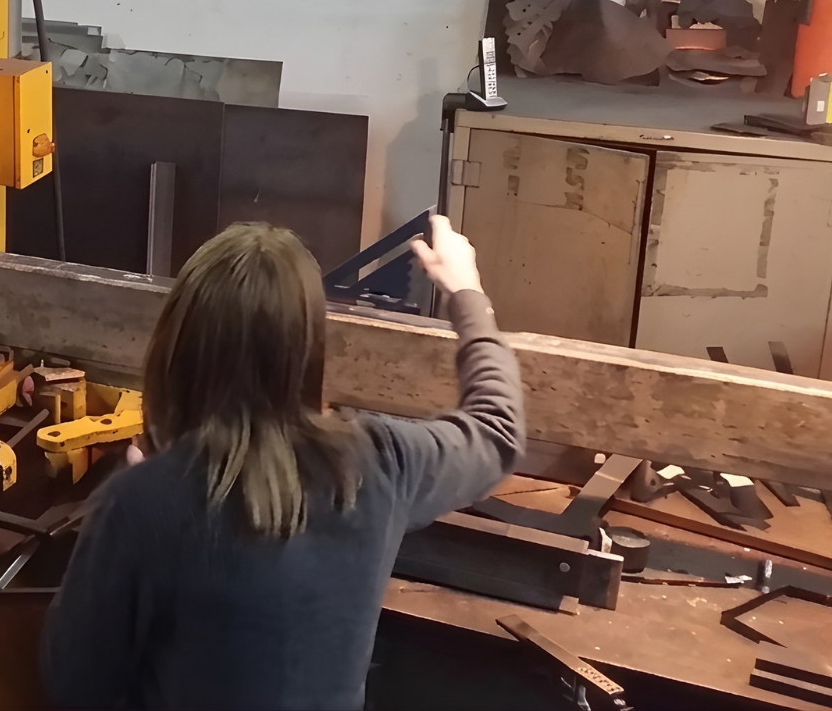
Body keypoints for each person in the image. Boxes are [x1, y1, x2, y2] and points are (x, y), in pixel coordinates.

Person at [41, 216, 523, 710]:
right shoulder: (382, 462)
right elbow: (498, 431)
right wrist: (467, 292)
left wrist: (141, 492)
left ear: (178, 345)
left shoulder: (140, 503)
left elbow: (74, 684)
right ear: (308, 349)